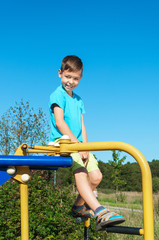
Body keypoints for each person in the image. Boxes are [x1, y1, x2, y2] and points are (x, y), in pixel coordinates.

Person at [49, 55, 125, 230]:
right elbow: (60, 122)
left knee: (96, 176)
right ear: (60, 74)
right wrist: (77, 145)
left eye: (75, 78)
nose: (71, 81)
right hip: (64, 142)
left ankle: (77, 207)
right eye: (68, 77)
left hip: (79, 144)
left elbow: (82, 125)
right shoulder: (57, 95)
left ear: (80, 78)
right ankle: (99, 211)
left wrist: (86, 147)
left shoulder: (79, 100)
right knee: (81, 172)